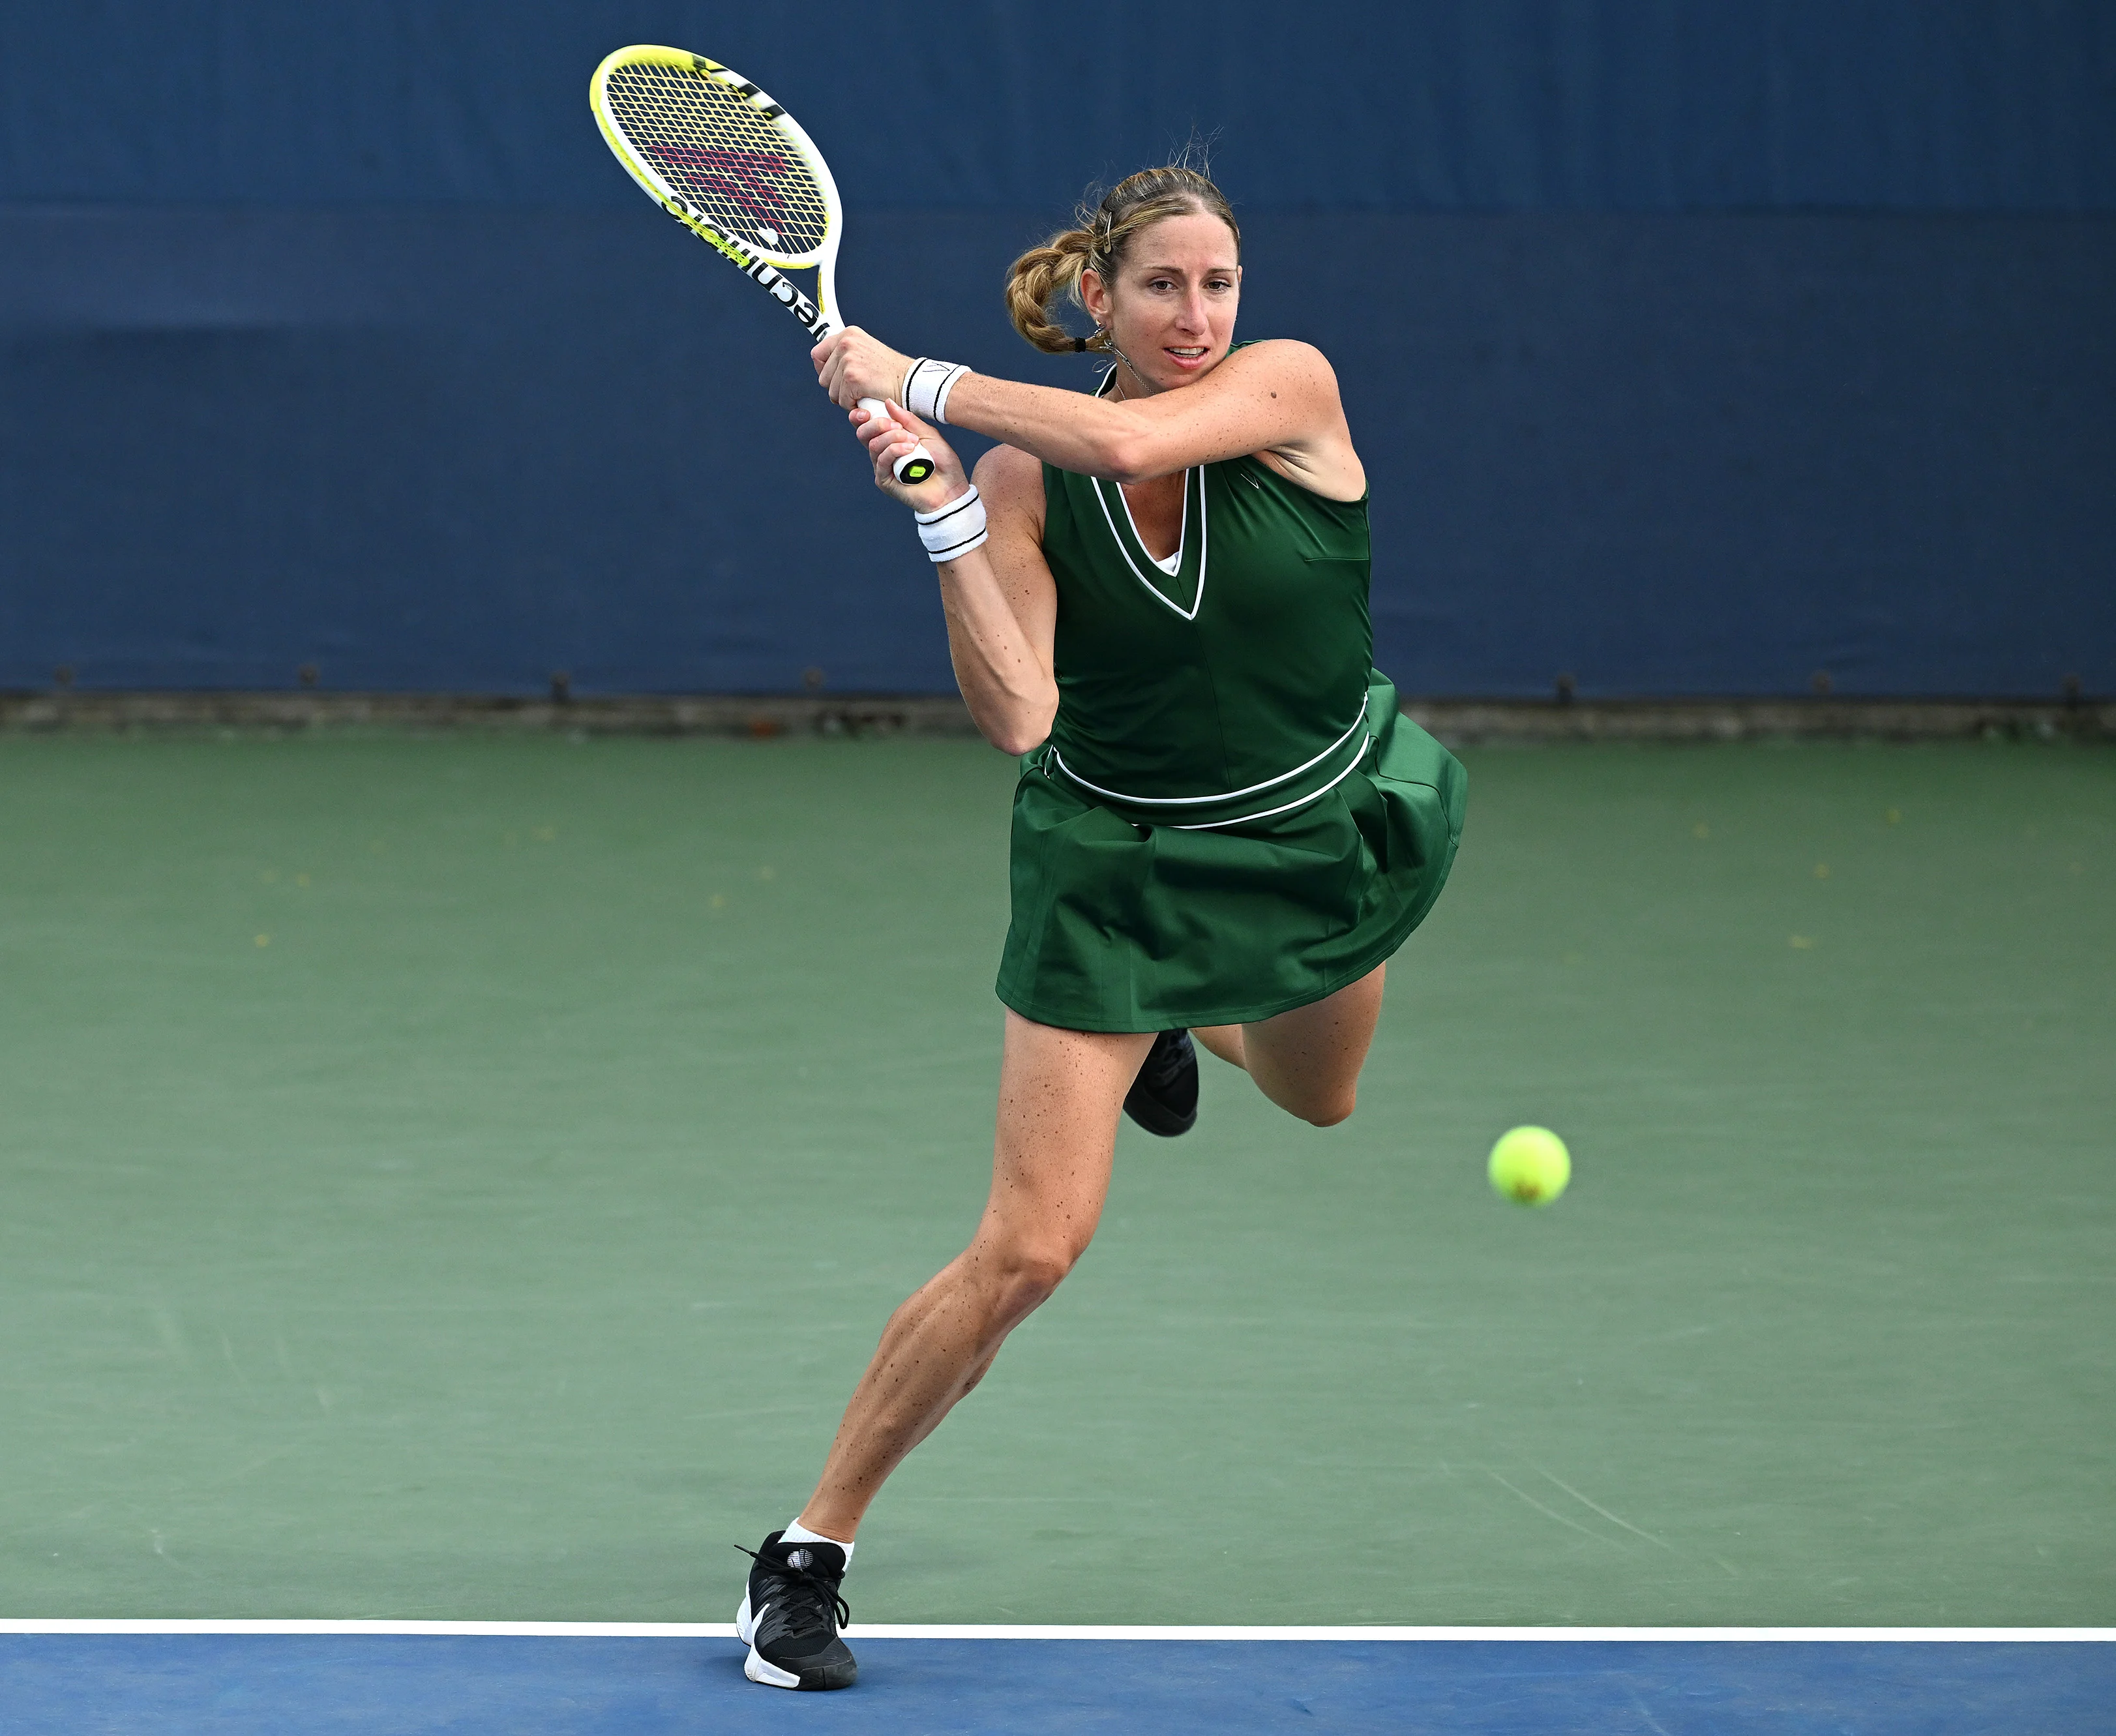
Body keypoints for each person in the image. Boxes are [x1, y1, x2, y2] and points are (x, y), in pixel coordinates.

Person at [732, 164, 1467, 1692]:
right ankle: (806, 1551)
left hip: (1314, 832)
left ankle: (1186, 1024)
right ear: (1097, 298)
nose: (1196, 316)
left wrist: (914, 375)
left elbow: (1129, 433)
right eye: (1160, 288)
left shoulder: (1287, 391)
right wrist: (941, 512)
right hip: (1117, 859)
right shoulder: (1020, 480)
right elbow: (1019, 714)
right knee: (1028, 1248)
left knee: (1314, 1091)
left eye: (1216, 285)